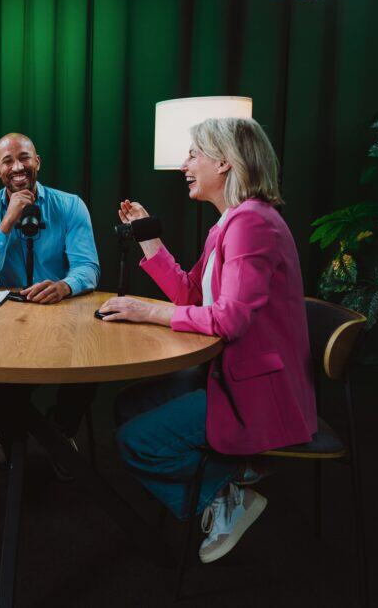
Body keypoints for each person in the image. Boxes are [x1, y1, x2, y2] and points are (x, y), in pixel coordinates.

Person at [99, 117, 316, 564]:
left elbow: (230, 319)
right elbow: (189, 295)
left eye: (194, 154)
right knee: (128, 406)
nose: (185, 165)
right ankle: (230, 475)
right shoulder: (230, 224)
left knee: (134, 442)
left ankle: (225, 493)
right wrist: (148, 239)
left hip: (259, 392)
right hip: (228, 373)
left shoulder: (252, 224)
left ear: (225, 161)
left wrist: (147, 311)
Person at [0, 133, 100, 478]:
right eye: (8, 161)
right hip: (4, 317)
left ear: (37, 162)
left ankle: (60, 431)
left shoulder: (70, 206)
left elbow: (88, 266)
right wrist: (6, 222)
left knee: (91, 361)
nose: (17, 166)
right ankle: (9, 435)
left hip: (60, 310)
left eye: (24, 158)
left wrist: (65, 285)